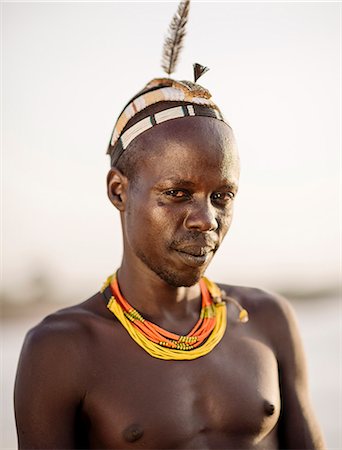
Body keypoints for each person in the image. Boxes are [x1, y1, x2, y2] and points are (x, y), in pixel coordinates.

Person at [14, 1, 325, 449]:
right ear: (119, 191)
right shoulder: (62, 350)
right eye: (177, 194)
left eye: (222, 197)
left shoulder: (267, 319)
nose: (206, 219)